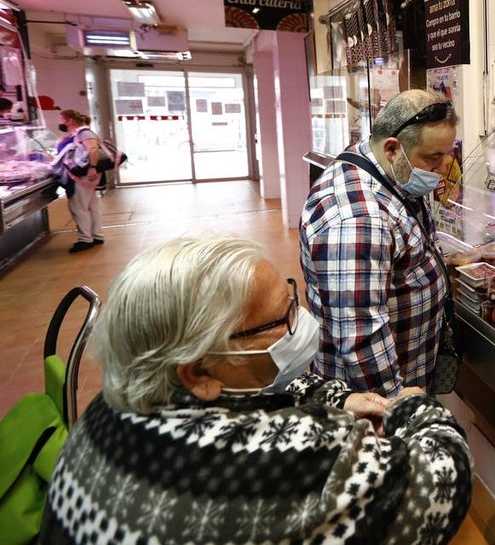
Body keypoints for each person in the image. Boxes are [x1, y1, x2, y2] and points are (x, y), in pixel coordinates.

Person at [40, 236, 472, 545]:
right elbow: (445, 484)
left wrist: (335, 397)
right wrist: (412, 406)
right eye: (282, 320)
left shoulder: (111, 405)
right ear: (199, 371)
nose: (300, 322)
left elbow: (250, 389)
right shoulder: (290, 455)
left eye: (293, 300)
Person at [300, 89, 458, 395]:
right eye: (433, 157)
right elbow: (361, 336)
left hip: (409, 371)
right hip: (373, 402)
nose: (443, 168)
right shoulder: (358, 219)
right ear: (392, 148)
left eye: (446, 154)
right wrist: (398, 406)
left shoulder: (384, 170)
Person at [55, 109, 104, 252]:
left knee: (79, 207)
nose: (60, 123)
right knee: (90, 206)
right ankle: (96, 235)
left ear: (69, 120)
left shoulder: (84, 133)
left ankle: (85, 239)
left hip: (82, 175)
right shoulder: (78, 134)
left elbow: (93, 149)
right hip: (85, 174)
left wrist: (92, 168)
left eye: (61, 119)